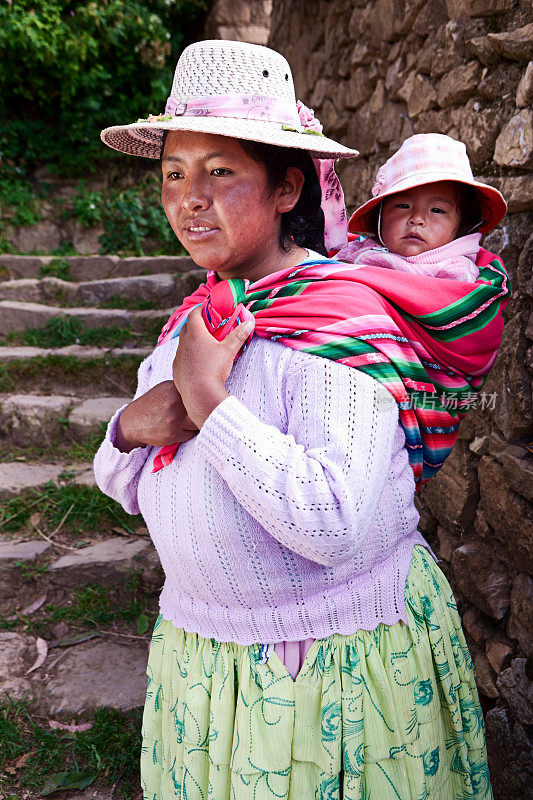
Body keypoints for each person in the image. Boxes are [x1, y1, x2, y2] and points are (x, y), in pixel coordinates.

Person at [94, 39, 510, 800]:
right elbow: (121, 481)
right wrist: (127, 427)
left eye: (220, 172)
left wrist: (207, 403)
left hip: (326, 671)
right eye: (173, 176)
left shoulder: (338, 318)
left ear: (287, 188)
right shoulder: (194, 318)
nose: (190, 198)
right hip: (203, 662)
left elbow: (332, 521)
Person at [335, 133, 507, 285]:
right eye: (403, 206)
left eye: (437, 210)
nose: (417, 219)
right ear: (380, 217)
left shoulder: (454, 272)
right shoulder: (358, 248)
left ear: (462, 224)